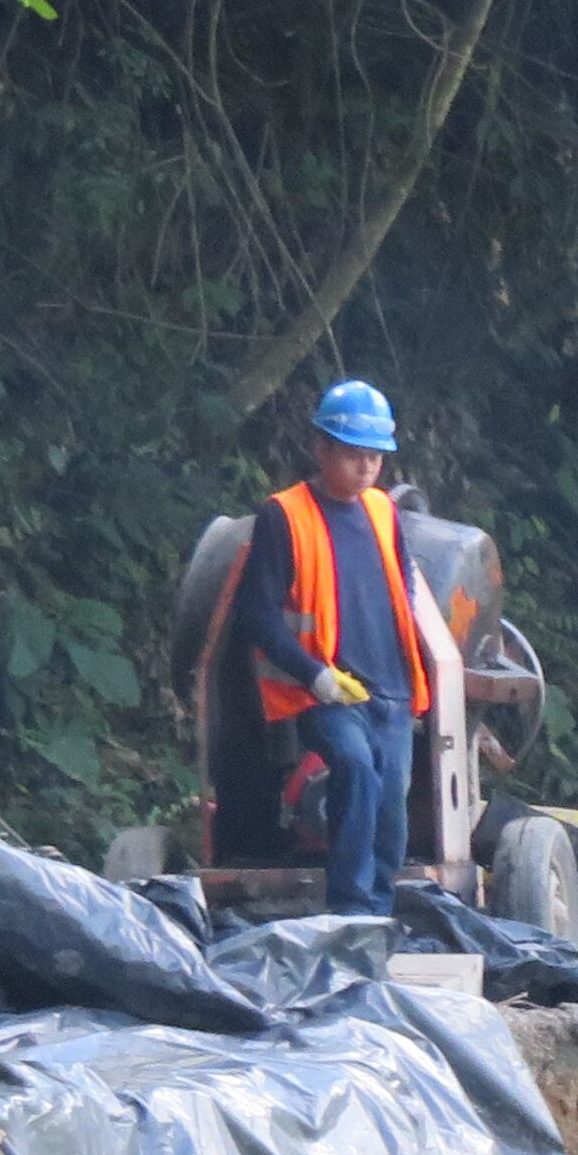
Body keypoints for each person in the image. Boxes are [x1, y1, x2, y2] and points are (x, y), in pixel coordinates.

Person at [236, 380, 438, 915]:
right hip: (327, 691)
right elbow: (256, 613)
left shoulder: (383, 511)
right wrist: (315, 675)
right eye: (353, 455)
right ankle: (351, 911)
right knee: (355, 768)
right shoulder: (284, 515)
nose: (367, 468)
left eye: (375, 457)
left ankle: (378, 912)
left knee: (390, 804)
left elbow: (403, 589)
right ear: (320, 448)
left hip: (390, 688)